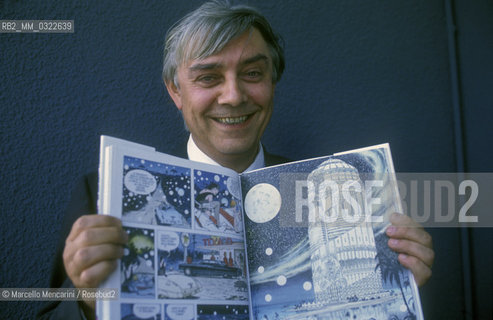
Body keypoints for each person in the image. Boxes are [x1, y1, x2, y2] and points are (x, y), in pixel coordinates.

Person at [38, 1, 434, 319]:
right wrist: (89, 302)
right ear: (176, 91)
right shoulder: (103, 193)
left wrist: (399, 284)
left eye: (252, 73)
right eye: (208, 77)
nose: (233, 96)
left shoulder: (328, 194)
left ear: (272, 83)